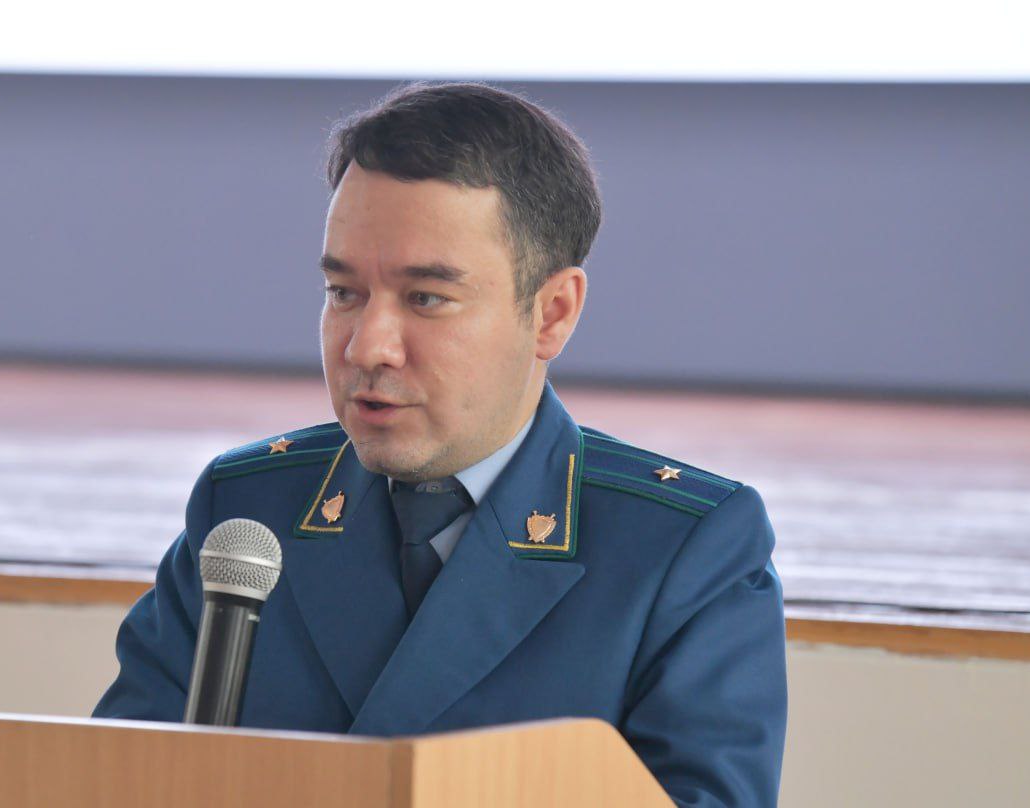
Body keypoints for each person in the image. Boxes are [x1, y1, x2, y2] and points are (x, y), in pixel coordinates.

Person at [93, 81, 787, 806]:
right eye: (344, 293)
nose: (368, 347)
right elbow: (111, 783)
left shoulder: (681, 550)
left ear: (552, 313)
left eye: (426, 298)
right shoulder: (248, 512)